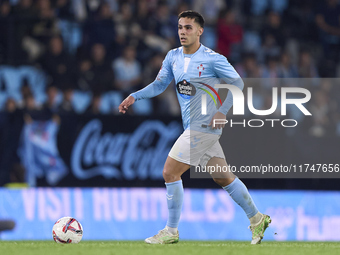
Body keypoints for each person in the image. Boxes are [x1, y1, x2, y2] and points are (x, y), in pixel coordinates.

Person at [119, 10, 271, 245]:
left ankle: (171, 231)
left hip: (204, 127)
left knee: (170, 171)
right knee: (223, 177)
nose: (182, 32)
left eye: (188, 27)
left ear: (200, 31)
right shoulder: (172, 56)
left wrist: (222, 111)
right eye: (180, 27)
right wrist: (134, 96)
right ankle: (257, 218)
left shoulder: (213, 58)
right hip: (194, 126)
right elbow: (160, 84)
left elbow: (238, 83)